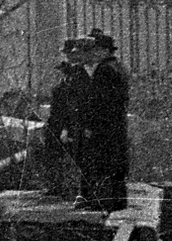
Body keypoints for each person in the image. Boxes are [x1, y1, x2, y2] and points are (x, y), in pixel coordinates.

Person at [78, 29, 131, 212]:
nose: (94, 52)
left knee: (102, 164)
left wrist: (91, 125)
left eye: (97, 49)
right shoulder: (119, 67)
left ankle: (102, 202)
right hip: (117, 124)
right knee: (116, 164)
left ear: (105, 50)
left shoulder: (104, 70)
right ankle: (118, 201)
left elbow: (98, 102)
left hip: (103, 126)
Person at [44, 40, 87, 200]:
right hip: (57, 122)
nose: (69, 57)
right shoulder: (65, 80)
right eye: (68, 54)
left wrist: (66, 128)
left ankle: (75, 188)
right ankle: (56, 186)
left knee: (76, 155)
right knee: (53, 153)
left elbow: (74, 105)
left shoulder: (80, 77)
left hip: (70, 123)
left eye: (72, 54)